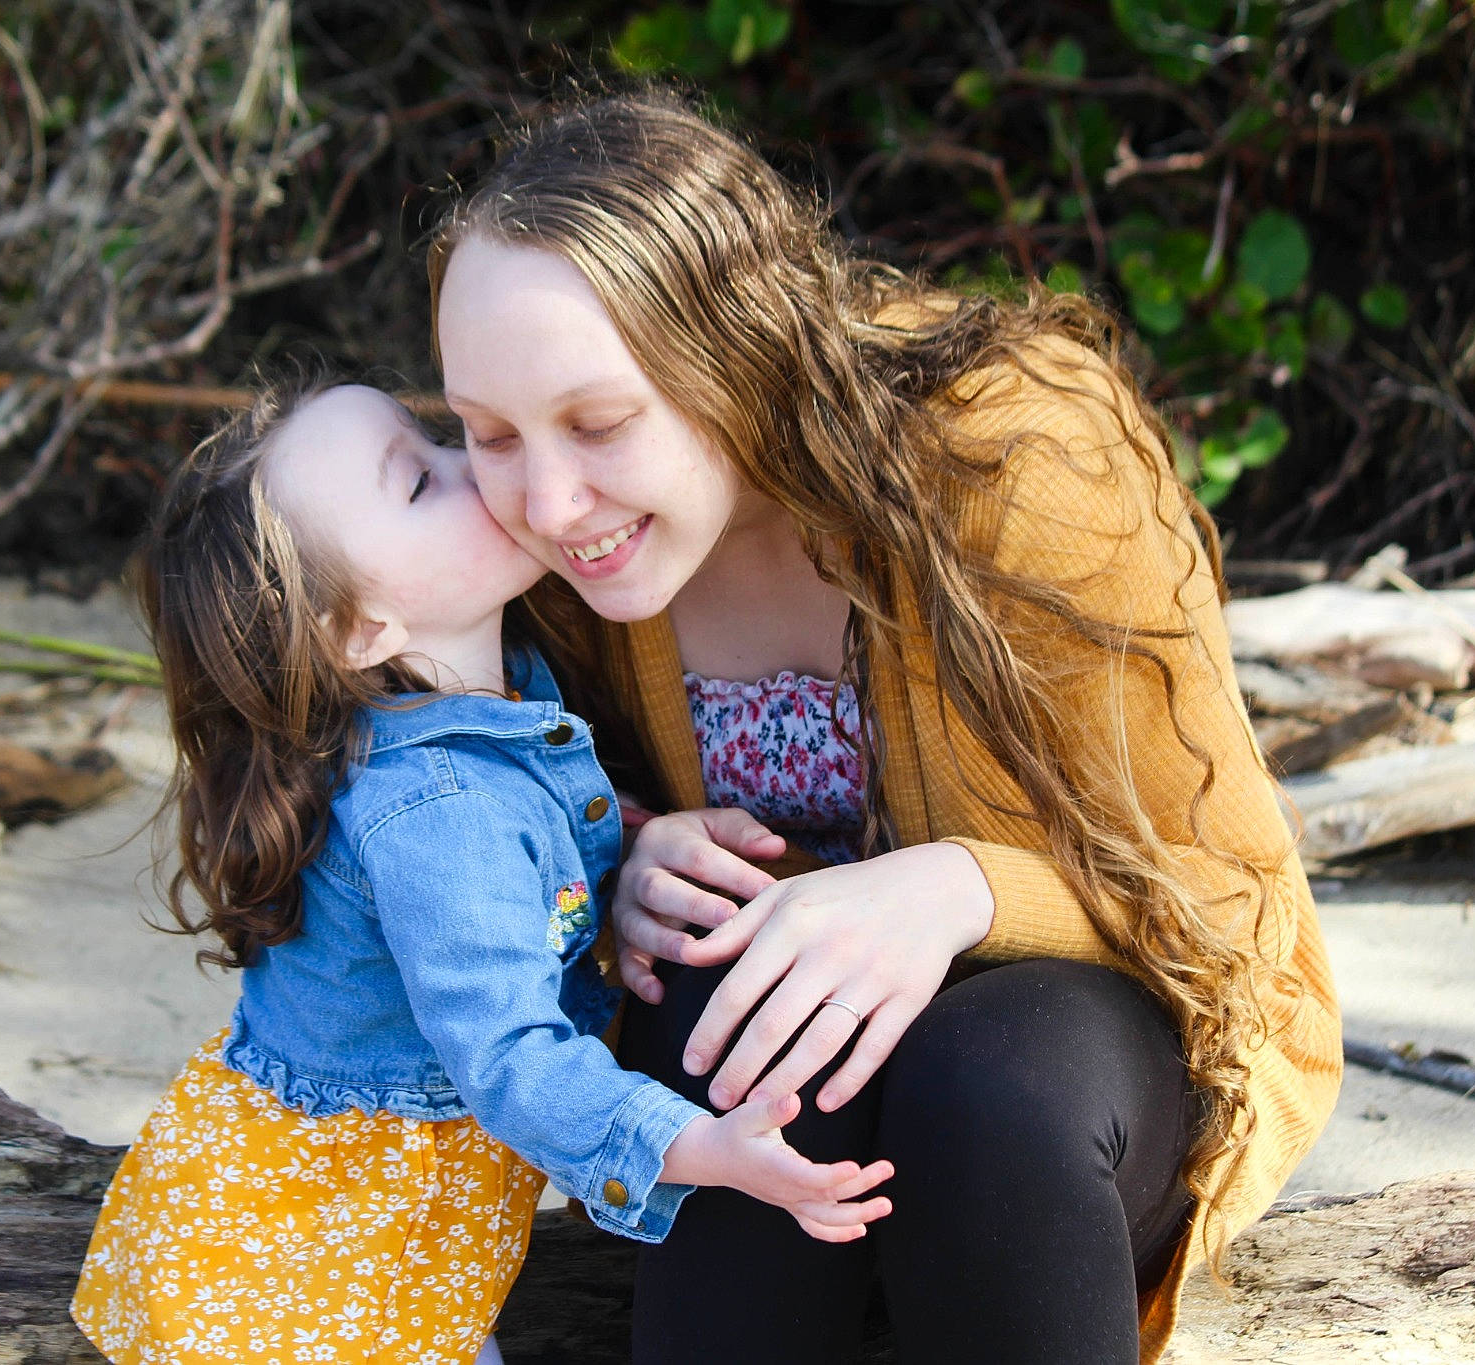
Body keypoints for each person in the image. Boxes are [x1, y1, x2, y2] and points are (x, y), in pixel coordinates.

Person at [428, 93, 1343, 1364]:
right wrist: (619, 859)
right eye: (484, 435)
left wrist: (959, 890)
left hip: (1063, 1077)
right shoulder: (550, 554)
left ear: (733, 350)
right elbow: (447, 842)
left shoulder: (1019, 453)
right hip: (787, 1122)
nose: (544, 497)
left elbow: (1227, 909)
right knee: (714, 993)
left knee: (984, 1086)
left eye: (599, 423)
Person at [68, 379, 895, 1365]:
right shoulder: (438, 813)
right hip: (313, 1268)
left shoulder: (483, 709)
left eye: (436, 439)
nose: (478, 468)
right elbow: (509, 1063)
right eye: (420, 481)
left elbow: (525, 859)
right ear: (359, 632)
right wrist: (704, 1150)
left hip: (351, 1232)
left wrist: (628, 844)